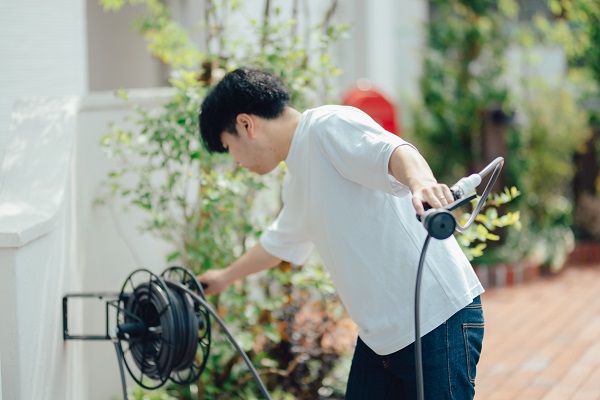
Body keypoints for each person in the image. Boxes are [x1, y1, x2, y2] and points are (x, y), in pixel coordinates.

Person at [197, 67, 484, 399]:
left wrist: (421, 183)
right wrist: (225, 277)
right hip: (381, 339)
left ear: (246, 125)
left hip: (437, 320)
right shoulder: (296, 182)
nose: (234, 161)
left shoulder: (327, 126)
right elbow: (277, 245)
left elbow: (395, 152)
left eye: (228, 146)